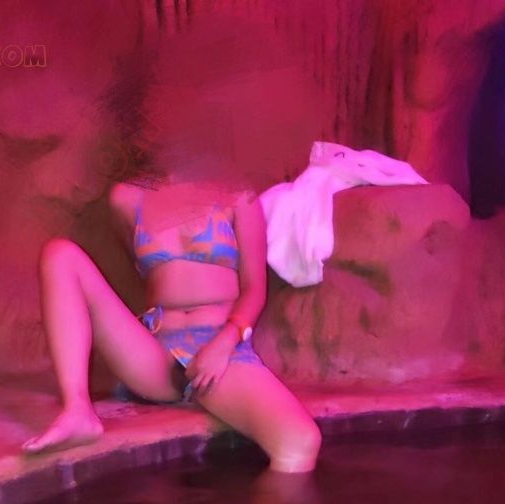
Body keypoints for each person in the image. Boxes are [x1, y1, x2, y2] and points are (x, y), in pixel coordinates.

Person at [22, 171, 321, 473]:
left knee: (299, 442)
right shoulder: (126, 198)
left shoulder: (239, 196)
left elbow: (255, 288)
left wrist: (225, 342)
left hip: (217, 348)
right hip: (156, 349)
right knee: (59, 254)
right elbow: (143, 279)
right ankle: (77, 411)